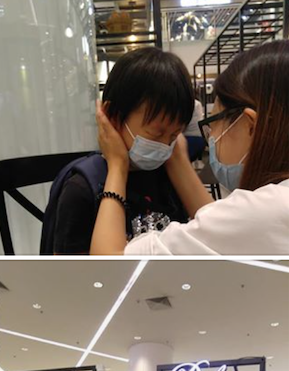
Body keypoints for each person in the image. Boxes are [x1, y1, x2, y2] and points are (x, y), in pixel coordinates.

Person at [91, 39, 289, 255]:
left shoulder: (262, 213)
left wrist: (118, 164)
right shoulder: (83, 183)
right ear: (114, 117)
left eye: (212, 124)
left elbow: (111, 265)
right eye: (157, 133)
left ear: (250, 126)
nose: (211, 136)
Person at [48, 47, 195, 254]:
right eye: (156, 134)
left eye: (174, 136)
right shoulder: (82, 188)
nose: (164, 146)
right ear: (113, 117)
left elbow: (210, 234)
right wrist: (118, 166)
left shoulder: (171, 175)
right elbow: (70, 275)